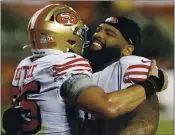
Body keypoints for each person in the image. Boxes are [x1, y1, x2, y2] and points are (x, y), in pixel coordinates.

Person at [2, 5, 167, 135]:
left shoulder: (25, 66)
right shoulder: (67, 63)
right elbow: (108, 107)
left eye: (108, 32)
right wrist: (152, 83)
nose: (95, 35)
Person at [82, 16, 168, 135]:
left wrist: (155, 81)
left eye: (109, 33)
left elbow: (146, 123)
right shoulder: (87, 68)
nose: (98, 35)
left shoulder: (128, 64)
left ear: (127, 50)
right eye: (98, 30)